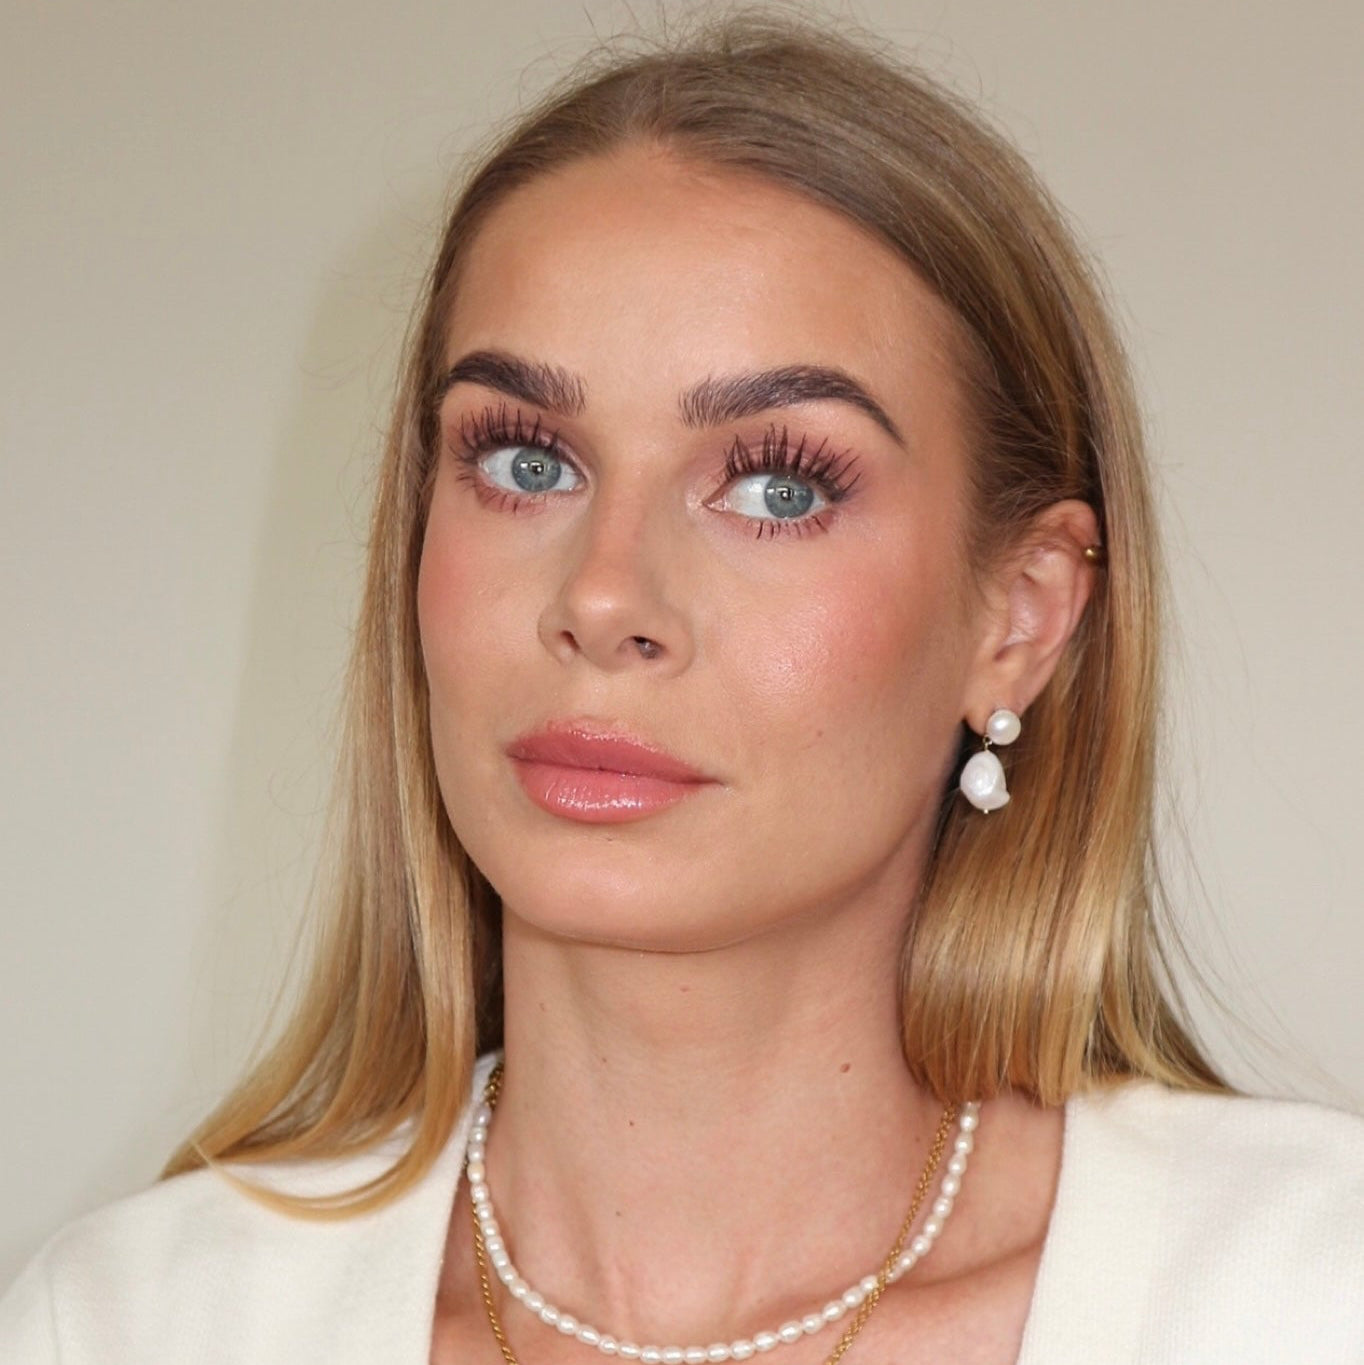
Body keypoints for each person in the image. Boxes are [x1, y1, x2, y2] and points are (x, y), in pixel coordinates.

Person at [3, 12, 1362, 1364]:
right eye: (527, 461)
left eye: (777, 486)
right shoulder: (132, 1322)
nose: (601, 598)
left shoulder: (1304, 1294)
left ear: (1019, 617)